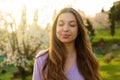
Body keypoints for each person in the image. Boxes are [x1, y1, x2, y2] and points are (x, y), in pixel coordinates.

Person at [32, 7, 100, 80]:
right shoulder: (42, 59)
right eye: (61, 24)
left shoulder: (88, 60)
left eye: (72, 25)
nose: (65, 29)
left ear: (79, 30)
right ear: (55, 28)